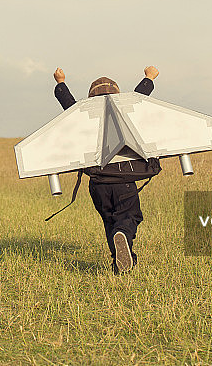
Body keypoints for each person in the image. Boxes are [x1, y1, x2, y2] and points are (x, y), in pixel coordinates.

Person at [52, 66, 161, 274]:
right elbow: (139, 99)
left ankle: (118, 264)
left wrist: (60, 82)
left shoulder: (84, 119)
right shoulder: (125, 115)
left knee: (109, 220)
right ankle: (123, 239)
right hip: (124, 180)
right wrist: (149, 77)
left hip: (98, 185)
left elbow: (68, 105)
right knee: (129, 217)